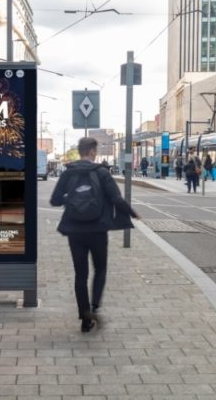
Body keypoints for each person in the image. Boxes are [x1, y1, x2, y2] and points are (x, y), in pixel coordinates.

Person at [50, 137, 139, 333]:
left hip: (75, 231)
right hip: (98, 230)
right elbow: (116, 198)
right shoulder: (101, 173)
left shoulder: (68, 173)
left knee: (80, 274)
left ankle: (84, 317)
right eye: (95, 151)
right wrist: (132, 213)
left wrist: (71, 198)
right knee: (100, 269)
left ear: (80, 151)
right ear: (92, 152)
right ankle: (94, 307)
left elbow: (55, 200)